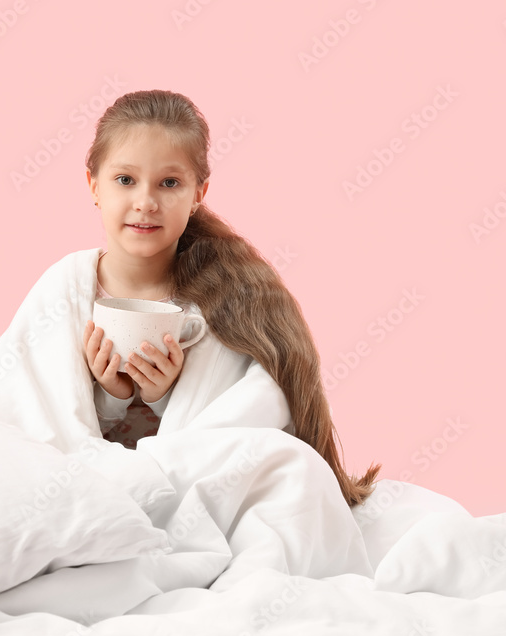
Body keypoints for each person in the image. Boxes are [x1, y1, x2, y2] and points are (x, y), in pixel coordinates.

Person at [79, 89, 381, 507]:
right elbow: (41, 422)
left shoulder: (217, 302)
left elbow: (228, 434)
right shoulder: (67, 292)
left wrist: (164, 396)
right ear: (94, 185)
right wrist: (109, 395)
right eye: (125, 180)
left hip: (182, 503)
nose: (145, 202)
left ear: (198, 193)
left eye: (169, 183)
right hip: (93, 496)